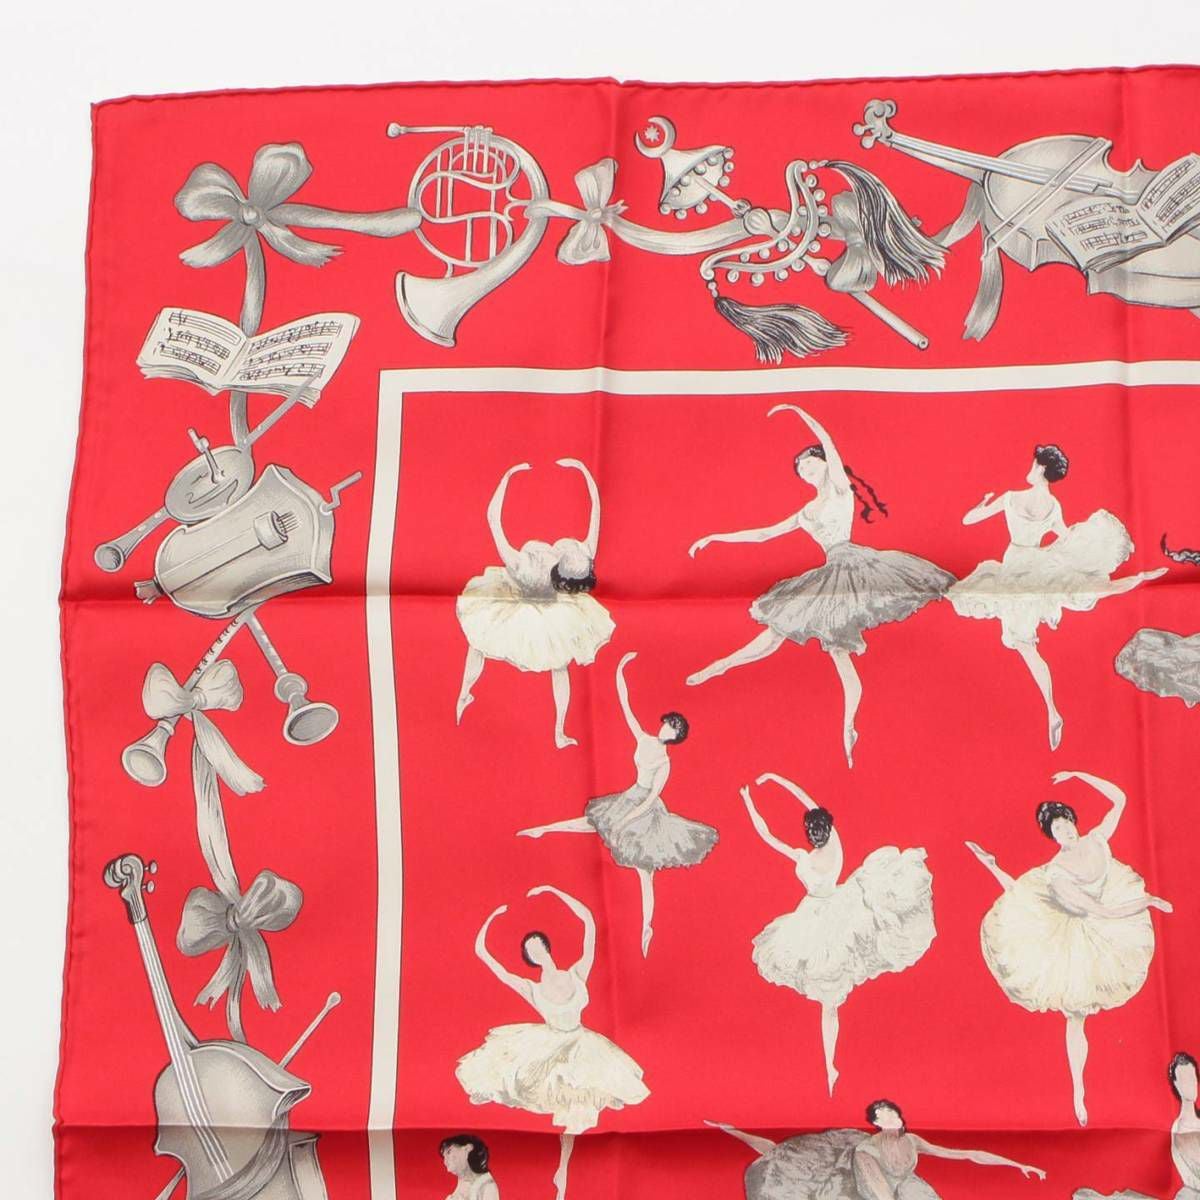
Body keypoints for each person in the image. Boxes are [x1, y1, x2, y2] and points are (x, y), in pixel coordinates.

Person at [687, 405, 952, 767]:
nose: (805, 471)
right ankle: (724, 666)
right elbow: (764, 534)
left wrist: (797, 411)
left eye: (810, 464)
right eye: (800, 470)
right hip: (830, 575)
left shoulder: (840, 489)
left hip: (856, 568)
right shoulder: (806, 512)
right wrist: (716, 537)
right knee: (792, 635)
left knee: (834, 647)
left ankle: (846, 724)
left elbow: (828, 440)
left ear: (825, 464)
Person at [967, 771, 1171, 1127]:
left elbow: (1121, 798)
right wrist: (1147, 902)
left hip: (1103, 917)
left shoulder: (1097, 839)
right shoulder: (1057, 871)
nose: (1065, 831)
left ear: (1074, 822)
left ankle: (992, 865)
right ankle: (1078, 1090)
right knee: (1075, 1015)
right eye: (1057, 829)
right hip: (1071, 930)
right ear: (1053, 836)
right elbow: (1096, 910)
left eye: (1066, 823)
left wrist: (1079, 774)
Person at [949, 445, 1165, 749]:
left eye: (1032, 463)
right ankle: (1051, 710)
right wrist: (1081, 546)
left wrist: (982, 503)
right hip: (1035, 570)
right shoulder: (1053, 506)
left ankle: (1052, 710)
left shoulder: (1011, 498)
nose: (1029, 467)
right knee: (1027, 644)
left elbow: (968, 520)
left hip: (1016, 569)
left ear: (1039, 467)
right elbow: (1066, 539)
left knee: (1023, 644)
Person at [741, 773, 934, 1095]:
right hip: (837, 908)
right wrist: (776, 779)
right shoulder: (836, 844)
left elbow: (767, 834)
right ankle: (830, 1064)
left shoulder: (803, 856)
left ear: (810, 834)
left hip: (817, 916)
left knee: (827, 993)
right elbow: (807, 800)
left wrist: (749, 799)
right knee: (829, 996)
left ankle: (830, 1064)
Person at [518, 651, 717, 956]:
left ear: (675, 737)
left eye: (672, 729)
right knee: (594, 822)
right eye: (668, 723)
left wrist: (628, 820)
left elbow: (651, 798)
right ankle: (543, 829)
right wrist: (620, 671)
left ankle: (646, 926)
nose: (666, 728)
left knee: (644, 870)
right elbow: (625, 706)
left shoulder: (664, 763)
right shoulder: (645, 739)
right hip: (630, 796)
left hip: (647, 811)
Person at [456, 886, 648, 1200]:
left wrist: (554, 891)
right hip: (549, 1048)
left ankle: (565, 1173)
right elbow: (489, 961)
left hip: (581, 1046)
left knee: (580, 1111)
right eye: (530, 951)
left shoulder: (576, 973)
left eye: (538, 945)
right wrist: (489, 921)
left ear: (546, 946)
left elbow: (589, 924)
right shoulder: (532, 989)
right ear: (530, 958)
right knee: (546, 1098)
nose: (536, 951)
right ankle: (563, 1174)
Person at [456, 459, 614, 749]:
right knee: (556, 664)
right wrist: (584, 471)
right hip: (537, 607)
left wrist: (507, 476)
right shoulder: (580, 557)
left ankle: (466, 693)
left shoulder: (523, 564)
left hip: (532, 607)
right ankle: (557, 730)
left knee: (479, 643)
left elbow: (493, 519)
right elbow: (596, 510)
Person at [708, 1097, 1044, 1198]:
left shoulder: (913, 1141)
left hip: (899, 1191)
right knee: (782, 1158)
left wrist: (1018, 1165)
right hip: (860, 1191)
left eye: (893, 1114)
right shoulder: (866, 1150)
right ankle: (731, 1130)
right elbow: (879, 1193)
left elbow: (967, 1154)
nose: (891, 1119)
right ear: (876, 1124)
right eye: (883, 1117)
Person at [1073, 1051, 1200, 1199]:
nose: (1191, 1085)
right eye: (1185, 1079)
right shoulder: (1177, 1128)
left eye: (1192, 1078)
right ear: (1176, 1084)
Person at [438, 1135, 499, 1200]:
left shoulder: (487, 1185)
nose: (445, 1161)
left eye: (449, 1152)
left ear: (467, 1148)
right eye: (444, 1157)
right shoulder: (460, 1187)